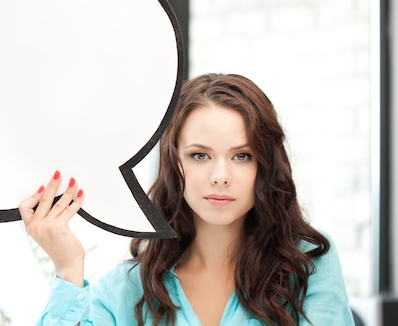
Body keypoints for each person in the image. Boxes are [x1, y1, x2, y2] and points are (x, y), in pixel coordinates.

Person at [19, 73, 355, 326]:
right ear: (174, 163)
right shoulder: (124, 292)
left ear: (265, 165)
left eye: (241, 156)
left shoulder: (307, 265)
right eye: (200, 156)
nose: (220, 175)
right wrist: (67, 267)